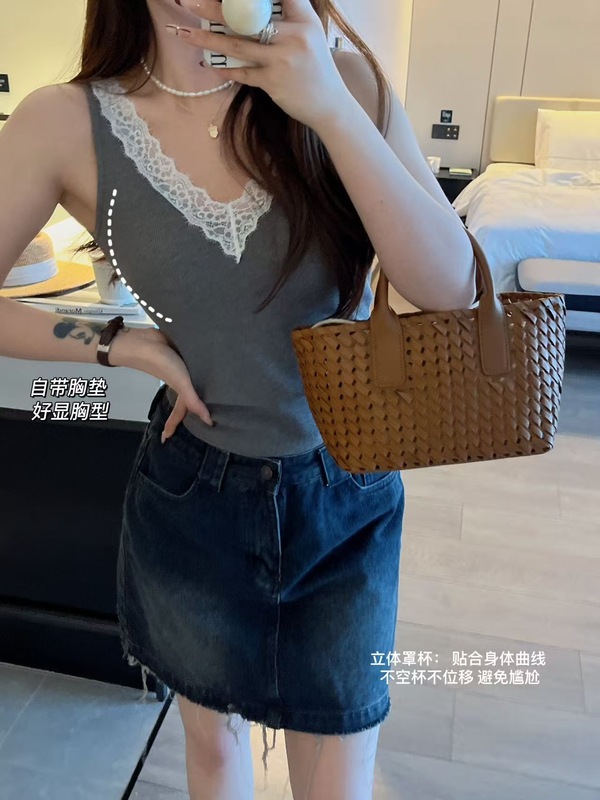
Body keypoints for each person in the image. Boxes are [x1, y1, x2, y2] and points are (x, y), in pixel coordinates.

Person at [0, 0, 477, 797]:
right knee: (216, 754)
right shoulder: (66, 122)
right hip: (195, 493)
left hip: (345, 491)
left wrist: (328, 106)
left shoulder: (342, 78)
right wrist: (115, 342)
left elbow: (451, 291)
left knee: (338, 769)